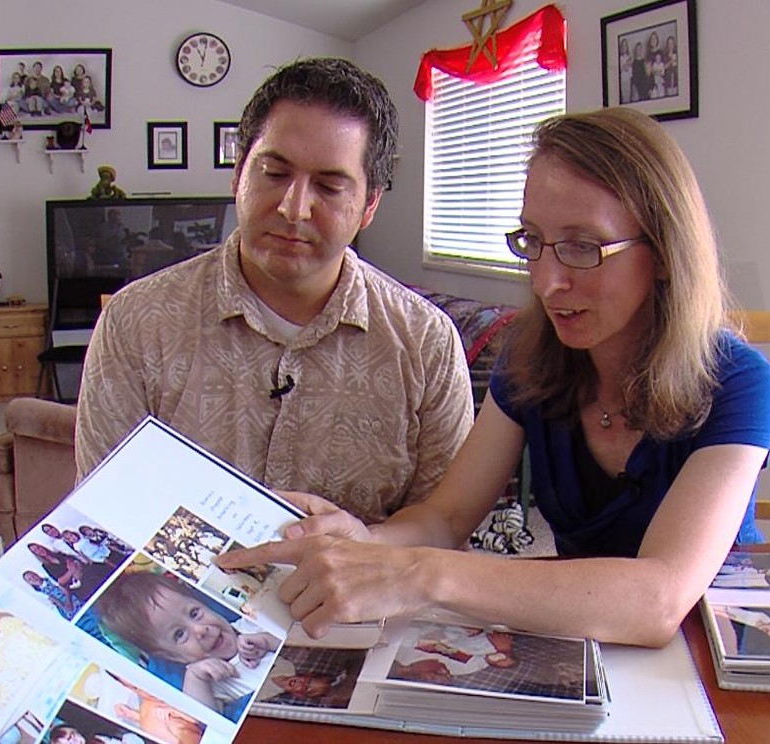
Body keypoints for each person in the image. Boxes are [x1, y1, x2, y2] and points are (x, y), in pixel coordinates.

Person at [218, 107, 770, 648]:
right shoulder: (531, 357)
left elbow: (659, 598)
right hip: (578, 634)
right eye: (533, 243)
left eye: (583, 247)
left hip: (706, 651)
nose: (547, 282)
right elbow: (445, 516)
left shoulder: (738, 383)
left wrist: (422, 574)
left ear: (663, 252)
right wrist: (367, 544)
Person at [74, 58, 473, 524]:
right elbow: (103, 513)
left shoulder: (426, 343)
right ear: (237, 174)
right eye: (274, 173)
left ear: (369, 206)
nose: (293, 208)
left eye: (328, 186)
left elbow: (446, 526)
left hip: (368, 593)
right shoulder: (136, 321)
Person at [92, 569, 279, 721]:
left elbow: (296, 641)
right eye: (180, 634)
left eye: (194, 613)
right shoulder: (209, 681)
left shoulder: (248, 625)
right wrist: (196, 677)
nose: (200, 630)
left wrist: (266, 640)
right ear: (172, 656)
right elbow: (206, 720)